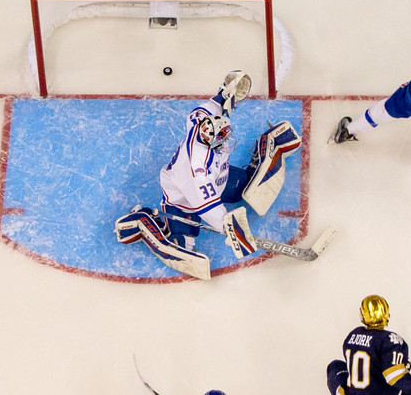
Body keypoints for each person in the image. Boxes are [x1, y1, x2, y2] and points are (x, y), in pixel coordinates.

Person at [115, 70, 300, 279]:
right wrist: (228, 227)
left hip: (220, 177)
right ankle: (146, 221)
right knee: (183, 242)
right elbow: (208, 205)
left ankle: (264, 151)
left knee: (241, 189)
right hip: (184, 198)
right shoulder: (196, 169)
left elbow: (211, 106)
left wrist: (226, 94)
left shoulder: (202, 121)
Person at [326, 295, 411, 395]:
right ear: (386, 314)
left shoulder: (352, 335)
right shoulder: (391, 340)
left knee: (335, 366)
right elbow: (394, 376)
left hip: (354, 391)